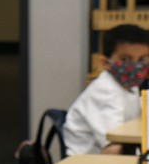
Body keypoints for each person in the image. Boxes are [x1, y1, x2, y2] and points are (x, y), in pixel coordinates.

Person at [64, 23, 149, 156]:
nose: (136, 66)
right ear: (105, 63)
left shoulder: (130, 85)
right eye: (125, 59)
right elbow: (113, 143)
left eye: (142, 59)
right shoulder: (104, 91)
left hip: (110, 154)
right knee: (117, 148)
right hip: (87, 161)